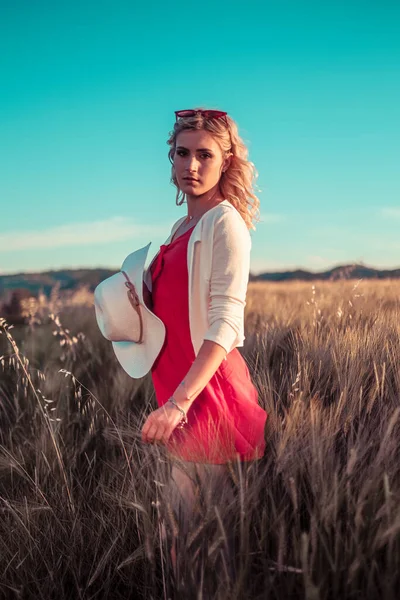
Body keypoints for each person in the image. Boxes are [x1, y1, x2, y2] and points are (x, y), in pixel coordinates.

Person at [140, 107, 268, 584]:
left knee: (202, 548)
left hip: (206, 395)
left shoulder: (225, 224)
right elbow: (172, 314)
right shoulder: (179, 231)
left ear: (227, 161)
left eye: (205, 155)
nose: (191, 166)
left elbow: (225, 325)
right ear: (171, 159)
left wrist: (178, 404)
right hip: (179, 389)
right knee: (178, 539)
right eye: (182, 153)